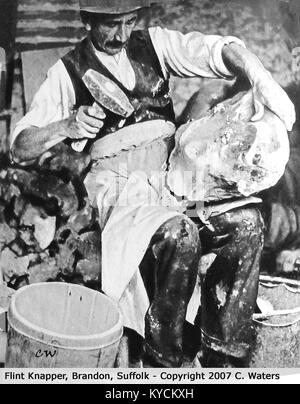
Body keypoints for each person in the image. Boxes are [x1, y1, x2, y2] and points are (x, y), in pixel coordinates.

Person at [10, 0, 295, 368]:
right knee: (180, 234)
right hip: (121, 193)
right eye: (111, 25)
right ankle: (164, 362)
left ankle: (224, 357)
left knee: (244, 225)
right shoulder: (66, 72)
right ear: (86, 20)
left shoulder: (154, 44)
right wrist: (65, 126)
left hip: (174, 182)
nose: (122, 35)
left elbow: (214, 50)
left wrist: (257, 74)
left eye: (130, 22)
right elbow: (20, 147)